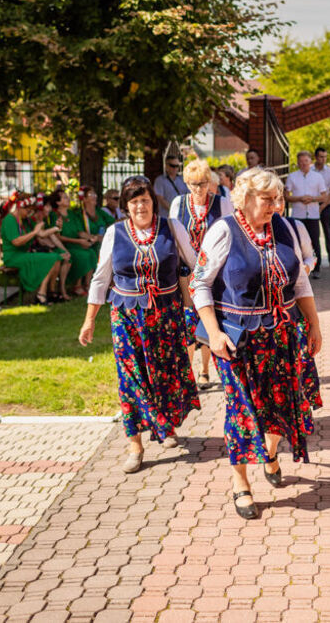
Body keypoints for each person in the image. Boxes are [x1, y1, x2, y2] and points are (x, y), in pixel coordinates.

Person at [191, 167, 323, 520]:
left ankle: (270, 451)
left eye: (277, 198)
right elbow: (199, 284)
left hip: (282, 334)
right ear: (246, 198)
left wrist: (314, 324)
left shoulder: (285, 228)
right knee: (241, 411)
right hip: (237, 341)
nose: (275, 206)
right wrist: (213, 332)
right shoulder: (224, 231)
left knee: (280, 403)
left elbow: (299, 284)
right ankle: (241, 483)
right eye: (268, 199)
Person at [79, 176, 200, 474]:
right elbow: (100, 278)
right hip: (127, 317)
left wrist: (205, 306)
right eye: (134, 202)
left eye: (144, 200)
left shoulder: (172, 228)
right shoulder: (114, 233)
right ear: (126, 205)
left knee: (165, 373)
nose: (140, 206)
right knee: (131, 378)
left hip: (166, 316)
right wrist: (89, 320)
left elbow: (196, 265)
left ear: (152, 202)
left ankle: (166, 426)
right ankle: (135, 445)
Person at [170, 159, 233, 387]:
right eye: (194, 184)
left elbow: (230, 233)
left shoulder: (222, 203)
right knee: (187, 323)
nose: (199, 188)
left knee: (208, 320)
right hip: (187, 272)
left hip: (214, 273)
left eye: (204, 183)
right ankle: (187, 375)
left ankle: (205, 371)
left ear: (210, 183)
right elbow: (174, 236)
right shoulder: (178, 203)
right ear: (187, 184)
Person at [0, 192, 65, 305]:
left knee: (56, 257)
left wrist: (56, 228)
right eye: (28, 210)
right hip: (13, 257)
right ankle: (41, 294)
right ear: (20, 207)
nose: (30, 213)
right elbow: (16, 241)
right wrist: (35, 232)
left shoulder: (25, 220)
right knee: (53, 257)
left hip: (25, 254)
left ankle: (47, 291)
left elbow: (41, 234)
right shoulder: (9, 220)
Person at [62, 186, 114, 296]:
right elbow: (80, 232)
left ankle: (102, 283)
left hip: (100, 242)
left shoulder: (99, 211)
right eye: (91, 195)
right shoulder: (79, 214)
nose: (95, 197)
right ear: (84, 199)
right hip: (89, 242)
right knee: (92, 251)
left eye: (95, 194)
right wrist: (92, 237)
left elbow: (112, 222)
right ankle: (86, 284)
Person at [284, 150, 327, 279]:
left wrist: (312, 199)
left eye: (306, 161)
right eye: (301, 161)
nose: (303, 164)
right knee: (296, 241)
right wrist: (299, 199)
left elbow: (324, 196)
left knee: (315, 241)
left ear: (310, 162)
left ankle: (316, 268)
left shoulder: (318, 177)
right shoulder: (292, 176)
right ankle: (298, 267)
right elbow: (286, 196)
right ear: (297, 163)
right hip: (298, 214)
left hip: (313, 215)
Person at [313, 147, 330, 270]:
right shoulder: (310, 171)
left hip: (325, 205)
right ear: (316, 157)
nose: (323, 159)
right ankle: (314, 261)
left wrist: (323, 206)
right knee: (313, 234)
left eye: (325, 157)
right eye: (321, 157)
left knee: (327, 232)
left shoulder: (329, 172)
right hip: (312, 205)